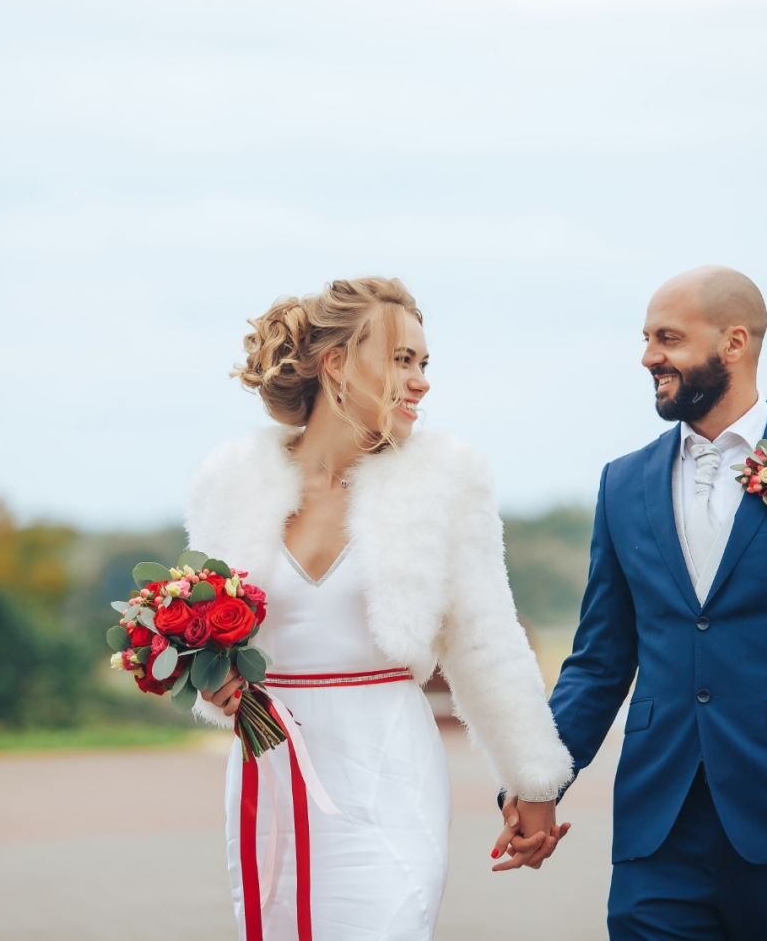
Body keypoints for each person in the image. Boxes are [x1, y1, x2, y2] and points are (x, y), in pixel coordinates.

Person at [190, 276, 574, 941]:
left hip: (387, 770)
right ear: (335, 363)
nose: (420, 381)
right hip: (267, 772)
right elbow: (199, 630)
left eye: (424, 364)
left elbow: (485, 638)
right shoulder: (232, 481)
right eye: (402, 360)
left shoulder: (444, 477)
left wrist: (532, 780)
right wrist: (212, 683)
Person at [541, 266, 767, 940]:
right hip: (658, 836)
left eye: (668, 338)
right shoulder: (623, 484)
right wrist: (535, 784)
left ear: (733, 343)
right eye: (647, 338)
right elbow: (599, 663)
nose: (649, 356)